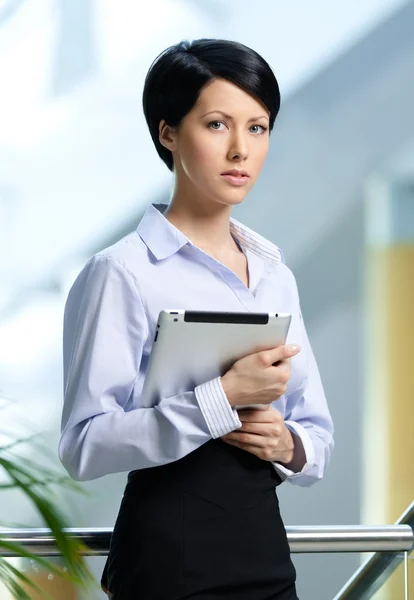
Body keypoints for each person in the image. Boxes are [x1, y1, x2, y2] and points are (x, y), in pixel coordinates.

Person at [59, 38, 334, 600]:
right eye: (216, 124)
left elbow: (317, 436)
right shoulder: (122, 272)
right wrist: (220, 397)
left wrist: (285, 444)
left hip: (263, 553)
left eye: (257, 128)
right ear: (167, 132)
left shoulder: (274, 275)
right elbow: (83, 446)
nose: (241, 150)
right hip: (166, 559)